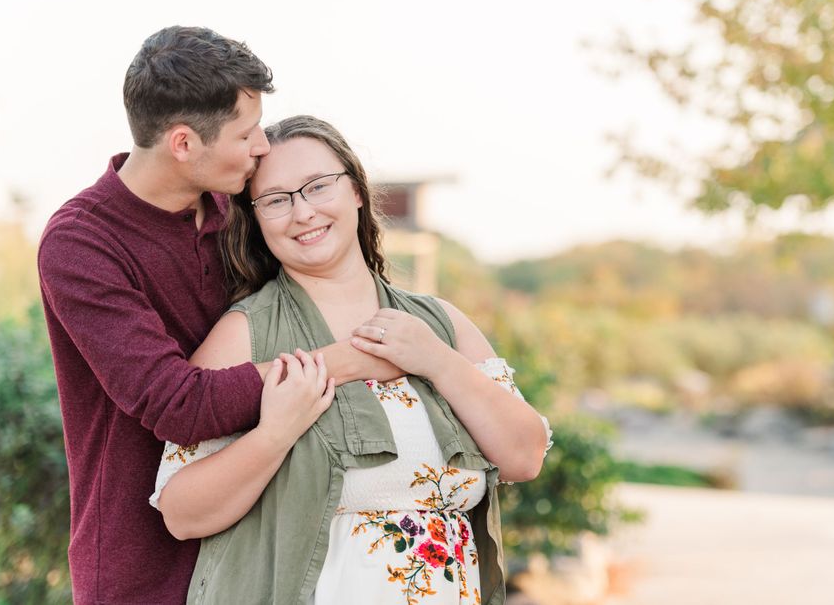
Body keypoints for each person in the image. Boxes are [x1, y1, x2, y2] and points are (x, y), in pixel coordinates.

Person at [38, 28, 394, 604]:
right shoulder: (81, 244)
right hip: (148, 569)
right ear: (183, 143)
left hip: (273, 551)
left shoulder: (244, 209)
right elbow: (176, 403)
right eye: (246, 133)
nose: (262, 147)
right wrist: (351, 359)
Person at [149, 115, 552, 604]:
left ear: (357, 191)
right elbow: (181, 514)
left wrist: (437, 362)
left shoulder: (442, 324)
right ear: (254, 218)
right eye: (276, 200)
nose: (302, 213)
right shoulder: (245, 335)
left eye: (318, 187)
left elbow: (525, 456)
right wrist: (275, 433)